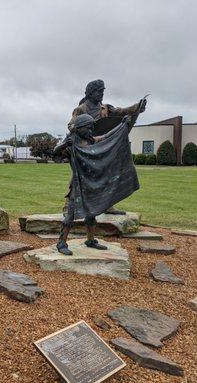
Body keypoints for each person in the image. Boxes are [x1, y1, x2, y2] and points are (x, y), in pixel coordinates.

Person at [54, 113, 140, 255]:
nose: (91, 130)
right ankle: (61, 242)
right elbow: (55, 153)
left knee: (91, 214)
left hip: (92, 183)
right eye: (88, 127)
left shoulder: (90, 141)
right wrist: (65, 144)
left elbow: (106, 137)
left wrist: (122, 125)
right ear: (80, 128)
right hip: (77, 185)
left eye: (92, 128)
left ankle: (90, 240)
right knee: (70, 215)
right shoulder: (72, 143)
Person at [68, 79, 146, 215]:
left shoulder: (106, 108)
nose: (102, 94)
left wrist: (137, 106)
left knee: (108, 174)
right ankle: (69, 206)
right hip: (86, 147)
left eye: (103, 91)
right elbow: (71, 125)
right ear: (91, 93)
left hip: (103, 147)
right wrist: (83, 127)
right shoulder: (81, 109)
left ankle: (108, 205)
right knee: (79, 176)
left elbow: (122, 111)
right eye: (99, 91)